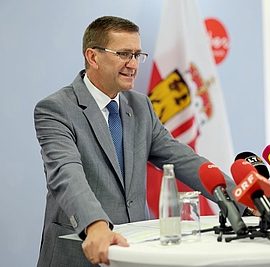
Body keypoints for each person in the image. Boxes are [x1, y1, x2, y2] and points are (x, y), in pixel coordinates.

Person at [34, 15, 246, 267]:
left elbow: (182, 158)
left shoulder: (140, 105)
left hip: (133, 253)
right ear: (93, 57)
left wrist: (240, 196)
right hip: (79, 253)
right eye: (124, 54)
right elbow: (66, 174)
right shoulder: (56, 109)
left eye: (137, 55)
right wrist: (95, 225)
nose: (133, 64)